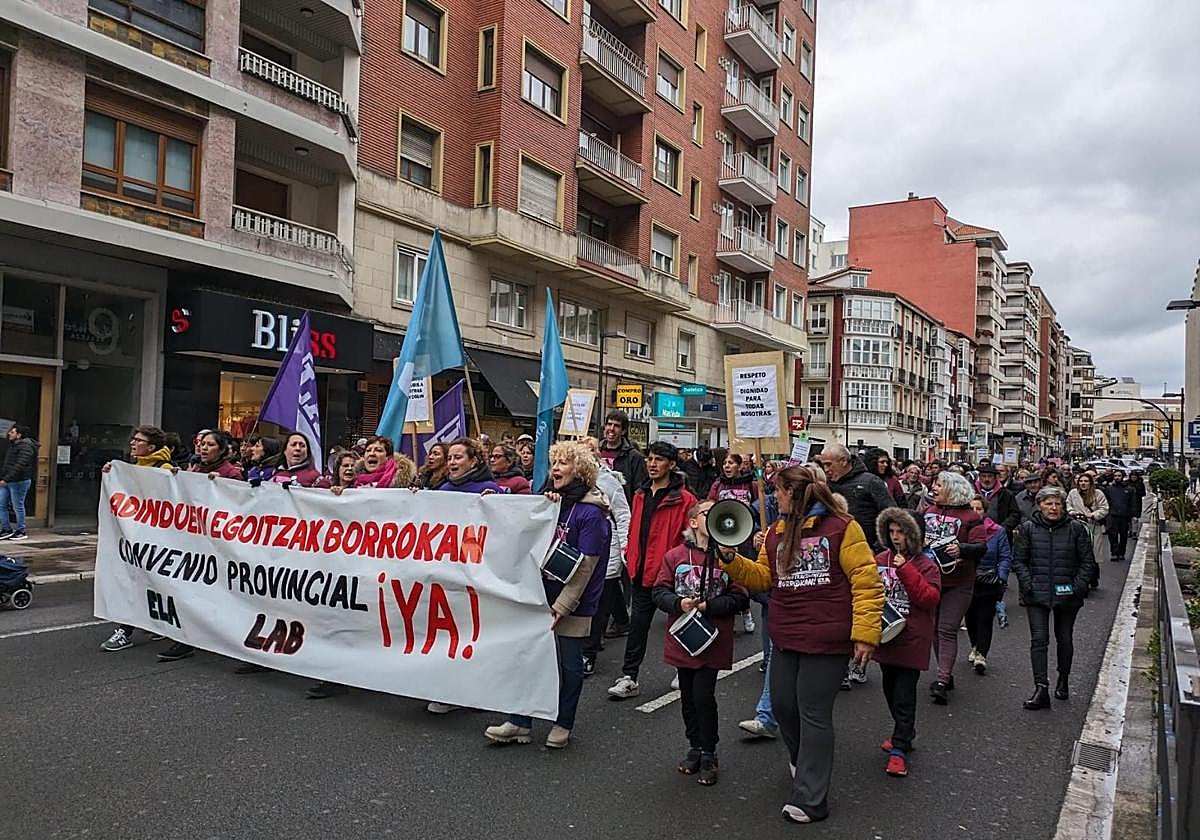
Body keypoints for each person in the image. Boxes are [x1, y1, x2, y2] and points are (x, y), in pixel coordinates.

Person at [719, 464, 884, 823]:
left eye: (778, 491)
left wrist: (865, 634)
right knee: (782, 706)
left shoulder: (842, 527)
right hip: (787, 634)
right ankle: (800, 759)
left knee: (813, 713)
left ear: (792, 493)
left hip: (827, 639)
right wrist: (731, 561)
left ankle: (811, 798)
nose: (774, 497)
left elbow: (866, 581)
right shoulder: (777, 532)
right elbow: (764, 578)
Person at [485, 441, 611, 748]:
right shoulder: (550, 502)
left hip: (573, 602)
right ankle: (519, 721)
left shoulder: (591, 514)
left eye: (563, 463)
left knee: (569, 665)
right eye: (554, 462)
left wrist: (563, 605)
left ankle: (563, 723)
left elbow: (586, 567)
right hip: (538, 594)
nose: (554, 469)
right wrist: (495, 502)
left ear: (579, 470)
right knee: (526, 658)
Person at [652, 500, 749, 785]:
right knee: (687, 696)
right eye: (708, 513)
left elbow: (741, 597)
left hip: (713, 638)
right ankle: (694, 745)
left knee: (703, 695)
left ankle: (709, 750)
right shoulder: (676, 556)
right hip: (683, 637)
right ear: (694, 522)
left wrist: (711, 607)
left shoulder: (728, 557)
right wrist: (678, 603)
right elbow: (659, 591)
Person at [608, 441, 696, 700]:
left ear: (671, 464)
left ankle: (683, 669)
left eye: (658, 459)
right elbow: (635, 528)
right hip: (641, 571)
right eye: (649, 458)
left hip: (670, 575)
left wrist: (680, 566)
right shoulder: (639, 494)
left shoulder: (685, 499)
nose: (652, 463)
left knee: (678, 623)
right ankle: (629, 677)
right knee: (638, 626)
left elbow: (689, 536)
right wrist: (629, 555)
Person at [158, 430, 244, 663]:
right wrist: (177, 481)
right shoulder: (192, 470)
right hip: (193, 545)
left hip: (220, 548)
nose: (203, 448)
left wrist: (223, 486)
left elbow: (241, 508)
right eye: (200, 443)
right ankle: (186, 640)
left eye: (209, 444)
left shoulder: (232, 474)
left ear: (222, 449)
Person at [1012, 486, 1096, 709]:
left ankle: (1063, 678)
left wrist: (1078, 587)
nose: (1053, 507)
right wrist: (1028, 584)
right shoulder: (1028, 529)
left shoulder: (1076, 529)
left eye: (1057, 503)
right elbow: (1019, 560)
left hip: (1067, 593)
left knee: (1064, 638)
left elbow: (1088, 562)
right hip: (1037, 594)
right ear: (1039, 505)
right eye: (1049, 503)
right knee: (1039, 640)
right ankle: (1041, 687)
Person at [872, 508, 941, 778]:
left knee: (904, 694)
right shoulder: (880, 559)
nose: (896, 537)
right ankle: (905, 731)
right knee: (889, 689)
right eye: (891, 532)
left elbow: (929, 598)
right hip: (886, 635)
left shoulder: (926, 564)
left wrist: (906, 570)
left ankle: (899, 747)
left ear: (913, 535)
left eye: (901, 532)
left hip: (911, 637)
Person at [98, 425, 176, 652]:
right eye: (133, 439)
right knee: (136, 580)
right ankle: (142, 624)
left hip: (158, 539)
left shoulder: (165, 468)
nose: (133, 443)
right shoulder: (133, 467)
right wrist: (112, 474)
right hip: (137, 537)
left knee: (149, 581)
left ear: (151, 446)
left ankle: (127, 630)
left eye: (138, 440)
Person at [922, 471, 987, 704]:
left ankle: (941, 680)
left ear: (953, 489)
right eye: (934, 484)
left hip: (958, 582)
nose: (934, 487)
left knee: (947, 629)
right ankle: (945, 672)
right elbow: (914, 534)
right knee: (934, 630)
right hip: (930, 579)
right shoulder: (927, 511)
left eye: (939, 484)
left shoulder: (970, 516)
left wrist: (962, 549)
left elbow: (981, 547)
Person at [581, 437, 631, 677]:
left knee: (600, 599)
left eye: (590, 451)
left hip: (607, 545)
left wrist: (624, 549)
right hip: (580, 543)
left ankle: (588, 652)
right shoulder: (572, 478)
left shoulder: (609, 481)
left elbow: (622, 515)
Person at [816, 443, 896, 552]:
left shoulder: (871, 482)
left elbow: (890, 514)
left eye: (829, 464)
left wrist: (877, 547)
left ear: (843, 461)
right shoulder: (826, 485)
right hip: (835, 550)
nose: (825, 469)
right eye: (823, 465)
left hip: (867, 550)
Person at [965, 495, 1011, 675]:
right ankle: (975, 645)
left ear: (985, 511)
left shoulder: (997, 531)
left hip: (989, 580)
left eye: (979, 509)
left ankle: (981, 655)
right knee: (970, 617)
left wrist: (1001, 577)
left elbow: (1005, 556)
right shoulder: (964, 528)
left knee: (985, 618)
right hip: (968, 579)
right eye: (972, 509)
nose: (975, 512)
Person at [1067, 472, 1110, 589]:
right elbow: (1068, 504)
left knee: (1092, 555)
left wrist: (1093, 514)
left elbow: (1104, 508)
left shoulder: (1098, 494)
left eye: (1086, 481)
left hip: (1093, 527)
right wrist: (1071, 512)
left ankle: (1094, 577)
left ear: (1090, 482)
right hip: (1077, 526)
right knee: (1078, 554)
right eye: (1081, 481)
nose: (1083, 483)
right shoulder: (1073, 493)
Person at [598, 410, 648, 504]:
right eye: (609, 424)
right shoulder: (595, 452)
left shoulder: (635, 458)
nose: (611, 429)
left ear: (623, 431)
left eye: (616, 426)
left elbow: (639, 491)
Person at [0, 424, 38, 541]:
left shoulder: (26, 446)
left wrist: (6, 479)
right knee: (1, 505)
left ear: (19, 435)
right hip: (8, 480)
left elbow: (19, 465)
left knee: (18, 506)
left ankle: (21, 530)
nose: (9, 434)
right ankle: (6, 529)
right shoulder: (14, 445)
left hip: (19, 481)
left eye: (12, 432)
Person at [335, 436, 415, 491]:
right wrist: (340, 492)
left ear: (389, 457)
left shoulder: (405, 483)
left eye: (378, 450)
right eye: (368, 450)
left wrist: (415, 492)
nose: (372, 453)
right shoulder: (354, 480)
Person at [436, 437, 503, 494]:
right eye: (449, 458)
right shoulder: (444, 489)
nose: (452, 462)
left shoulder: (489, 488)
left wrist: (492, 500)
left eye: (458, 457)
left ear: (473, 461)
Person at [977, 462, 1020, 532]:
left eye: (990, 476)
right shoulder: (972, 492)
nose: (986, 479)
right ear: (979, 477)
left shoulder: (1006, 494)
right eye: (984, 476)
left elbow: (1015, 514)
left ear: (995, 478)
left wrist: (1003, 527)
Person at [1103, 472, 1136, 561]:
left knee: (1123, 535)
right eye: (1116, 476)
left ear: (1123, 477)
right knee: (1112, 535)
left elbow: (1133, 503)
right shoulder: (1109, 489)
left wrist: (1134, 515)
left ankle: (1121, 552)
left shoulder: (1129, 489)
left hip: (1124, 516)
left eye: (1119, 476)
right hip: (1112, 515)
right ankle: (1114, 552)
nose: (1117, 477)